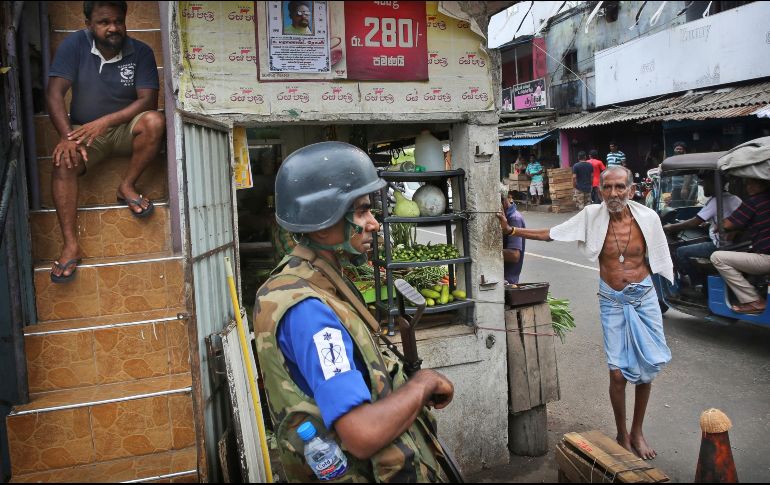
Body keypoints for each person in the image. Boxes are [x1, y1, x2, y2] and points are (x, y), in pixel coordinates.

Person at [253, 141, 453, 482]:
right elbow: (362, 434)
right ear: (322, 221)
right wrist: (424, 383)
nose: (373, 224)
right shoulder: (309, 313)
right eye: (362, 212)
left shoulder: (311, 276)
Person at [497, 166, 673, 460]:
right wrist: (512, 231)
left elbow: (659, 254)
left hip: (643, 298)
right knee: (617, 373)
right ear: (600, 191)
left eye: (620, 187)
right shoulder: (592, 216)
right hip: (612, 300)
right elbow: (552, 234)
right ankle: (622, 434)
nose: (614, 193)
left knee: (647, 367)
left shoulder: (648, 219)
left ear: (631, 190)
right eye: (608, 188)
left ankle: (637, 431)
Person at [47, 0, 164, 283]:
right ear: (88, 24)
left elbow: (148, 101)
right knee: (63, 161)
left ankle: (127, 185)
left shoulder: (141, 52)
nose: (113, 28)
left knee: (155, 121)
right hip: (85, 133)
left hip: (126, 129)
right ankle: (70, 244)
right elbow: (54, 93)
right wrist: (66, 136)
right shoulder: (74, 45)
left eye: (118, 21)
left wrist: (106, 121)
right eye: (103, 22)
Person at [662, 177, 742, 293]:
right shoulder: (735, 199)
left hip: (720, 246)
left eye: (705, 184)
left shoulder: (716, 201)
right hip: (734, 244)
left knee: (681, 252)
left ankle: (697, 284)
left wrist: (671, 227)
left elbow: (695, 222)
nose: (703, 187)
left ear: (714, 184)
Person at [710, 178, 770, 314]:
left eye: (751, 183)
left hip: (767, 259)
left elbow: (726, 225)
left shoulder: (755, 201)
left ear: (762, 184)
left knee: (717, 257)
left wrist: (719, 225)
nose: (748, 187)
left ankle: (754, 300)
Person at [501, 187, 526, 284]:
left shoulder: (514, 219)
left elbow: (514, 255)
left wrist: (488, 252)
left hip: (508, 280)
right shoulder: (504, 217)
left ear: (503, 201)